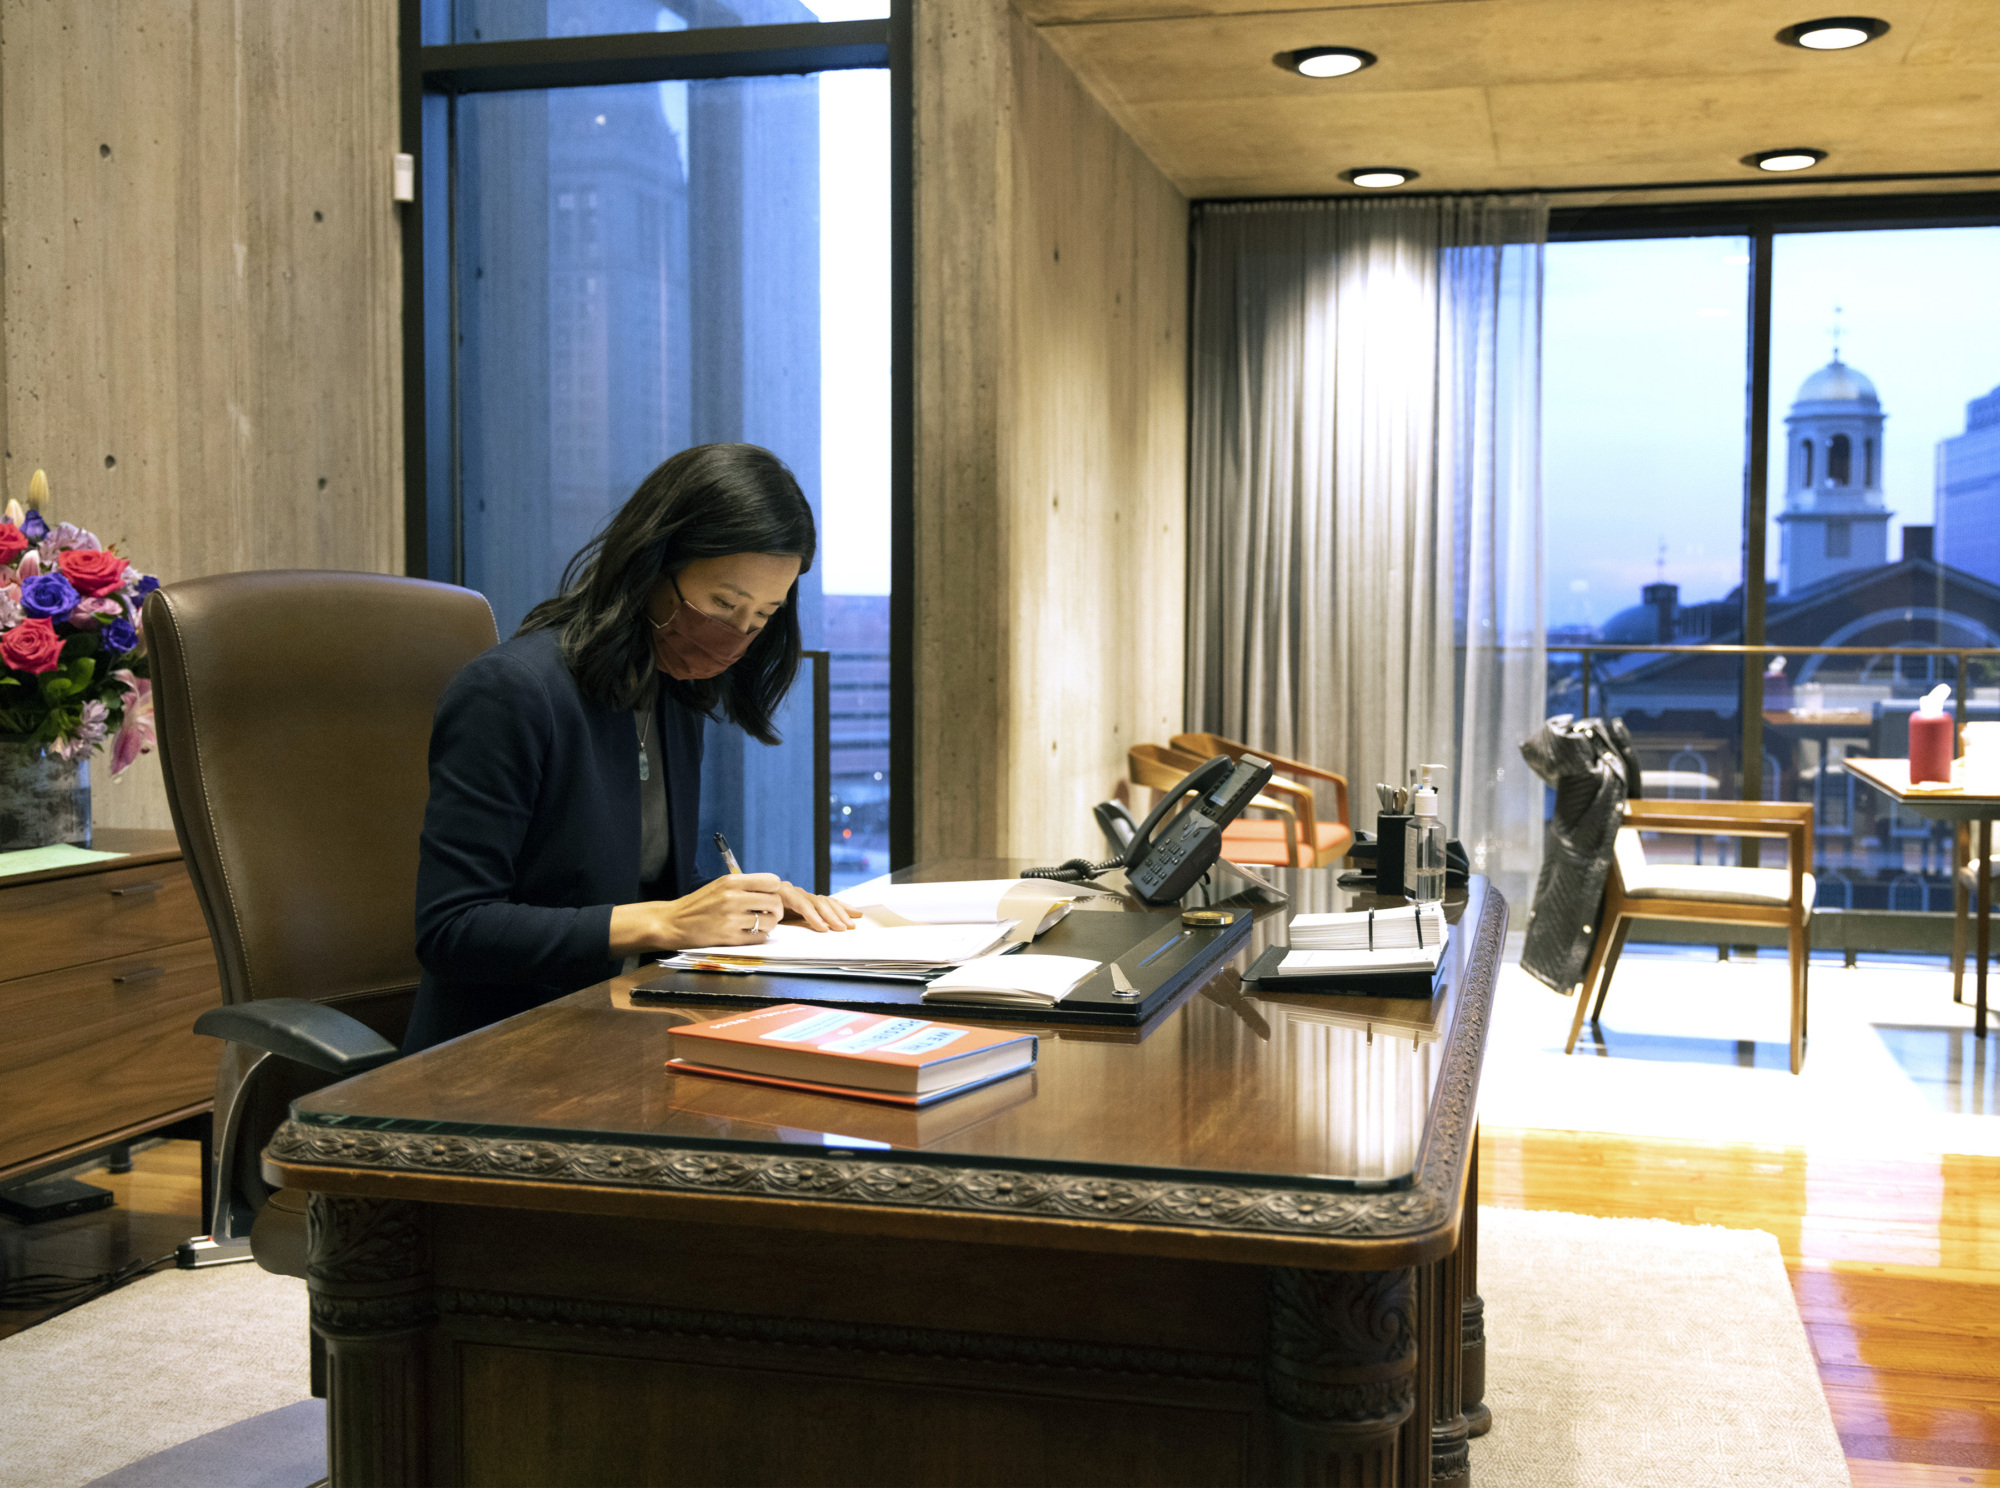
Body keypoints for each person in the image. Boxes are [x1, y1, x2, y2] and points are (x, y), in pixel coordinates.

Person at [403, 443, 855, 1053]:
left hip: (623, 1032)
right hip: (505, 1048)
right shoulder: (510, 692)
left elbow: (636, 878)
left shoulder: (672, 694)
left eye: (762, 616)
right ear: (654, 563)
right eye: (723, 603)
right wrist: (669, 921)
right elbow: (453, 929)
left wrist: (750, 906)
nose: (736, 635)